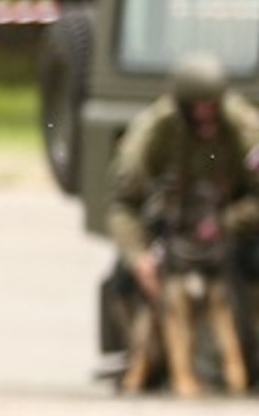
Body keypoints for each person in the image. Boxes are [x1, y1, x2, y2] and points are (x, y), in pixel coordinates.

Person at [106, 50, 259, 315]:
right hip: (172, 235)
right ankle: (145, 347)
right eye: (198, 108)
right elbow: (123, 204)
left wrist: (227, 221)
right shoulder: (152, 134)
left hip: (230, 230)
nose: (206, 115)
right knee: (124, 281)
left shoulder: (243, 128)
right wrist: (138, 257)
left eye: (213, 106)